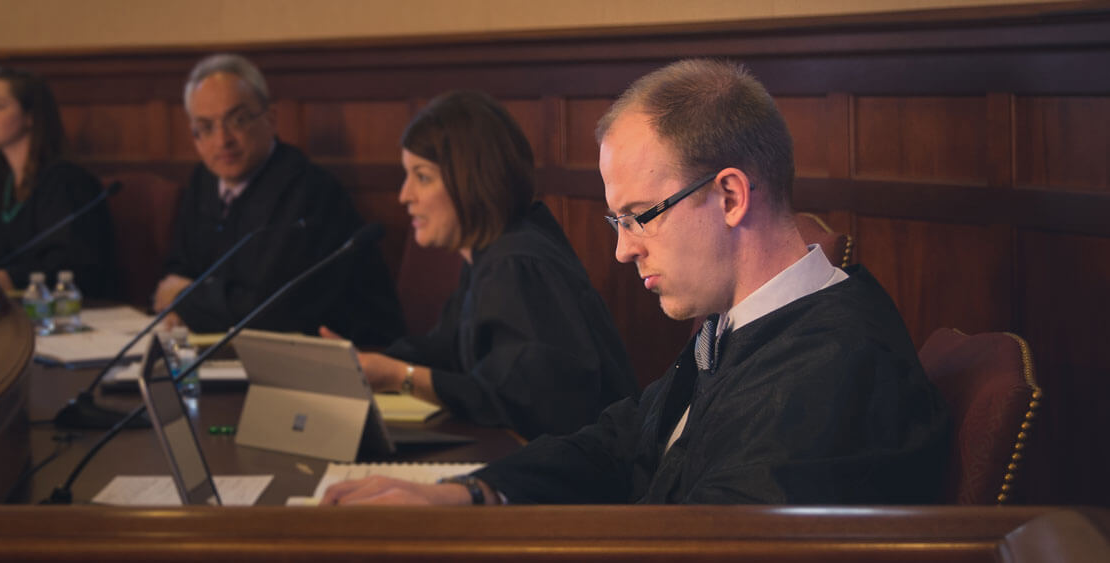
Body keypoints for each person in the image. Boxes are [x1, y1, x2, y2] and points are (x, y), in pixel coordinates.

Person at [323, 59, 949, 506]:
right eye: (615, 220)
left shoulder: (831, 371)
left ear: (730, 195)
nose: (621, 250)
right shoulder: (743, 320)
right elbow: (623, 439)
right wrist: (471, 493)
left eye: (639, 216)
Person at [323, 91, 635, 440]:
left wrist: (400, 376)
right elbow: (445, 349)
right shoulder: (491, 252)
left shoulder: (516, 263)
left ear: (472, 180)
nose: (404, 196)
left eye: (422, 177)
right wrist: (356, 362)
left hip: (582, 482)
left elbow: (524, 402)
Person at [155, 53, 402, 346]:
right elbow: (178, 271)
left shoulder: (308, 190)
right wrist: (184, 298)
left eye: (238, 120)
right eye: (206, 127)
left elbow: (269, 309)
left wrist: (186, 299)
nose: (222, 140)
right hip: (230, 352)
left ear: (271, 119)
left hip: (342, 361)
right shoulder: (204, 182)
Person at [0, 66, 116, 299]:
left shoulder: (66, 182)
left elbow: (74, 264)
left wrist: (11, 278)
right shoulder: (0, 185)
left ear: (30, 116)